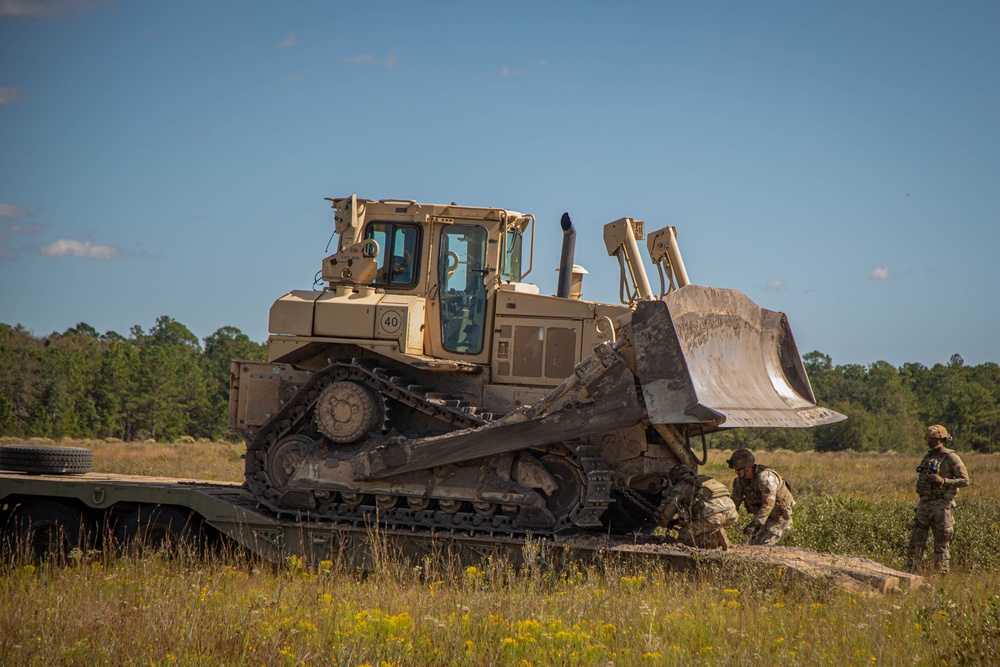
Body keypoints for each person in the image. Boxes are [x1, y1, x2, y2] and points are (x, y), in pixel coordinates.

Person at [906, 424, 970, 574]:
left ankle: (940, 575)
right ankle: (910, 572)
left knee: (941, 543)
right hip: (925, 503)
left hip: (941, 506)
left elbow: (965, 480)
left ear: (942, 439)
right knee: (916, 541)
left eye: (933, 439)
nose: (930, 441)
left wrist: (944, 481)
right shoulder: (928, 456)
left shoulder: (951, 457)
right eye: (928, 438)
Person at [656, 465, 738, 550]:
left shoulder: (681, 486)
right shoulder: (705, 480)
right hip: (731, 514)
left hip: (713, 517)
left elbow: (669, 509)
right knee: (709, 525)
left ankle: (713, 540)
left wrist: (662, 521)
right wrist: (676, 522)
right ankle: (720, 535)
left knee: (684, 537)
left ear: (675, 479)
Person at [727, 448, 795, 545]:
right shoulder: (739, 481)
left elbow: (769, 503)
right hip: (764, 518)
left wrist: (755, 523)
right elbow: (734, 502)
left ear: (747, 468)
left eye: (738, 469)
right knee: (753, 544)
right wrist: (726, 519)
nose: (736, 472)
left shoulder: (765, 478)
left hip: (778, 517)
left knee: (763, 544)